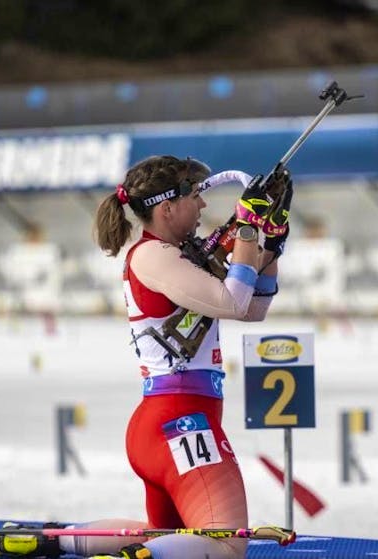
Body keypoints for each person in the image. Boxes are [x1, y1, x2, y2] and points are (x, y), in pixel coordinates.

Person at [56, 155, 292, 559]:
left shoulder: (174, 254)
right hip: (179, 422)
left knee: (166, 536)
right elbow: (233, 301)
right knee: (228, 547)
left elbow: (254, 308)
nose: (203, 206)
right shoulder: (154, 256)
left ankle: (56, 541)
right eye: (195, 197)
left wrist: (271, 238)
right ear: (167, 207)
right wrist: (248, 228)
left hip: (172, 422)